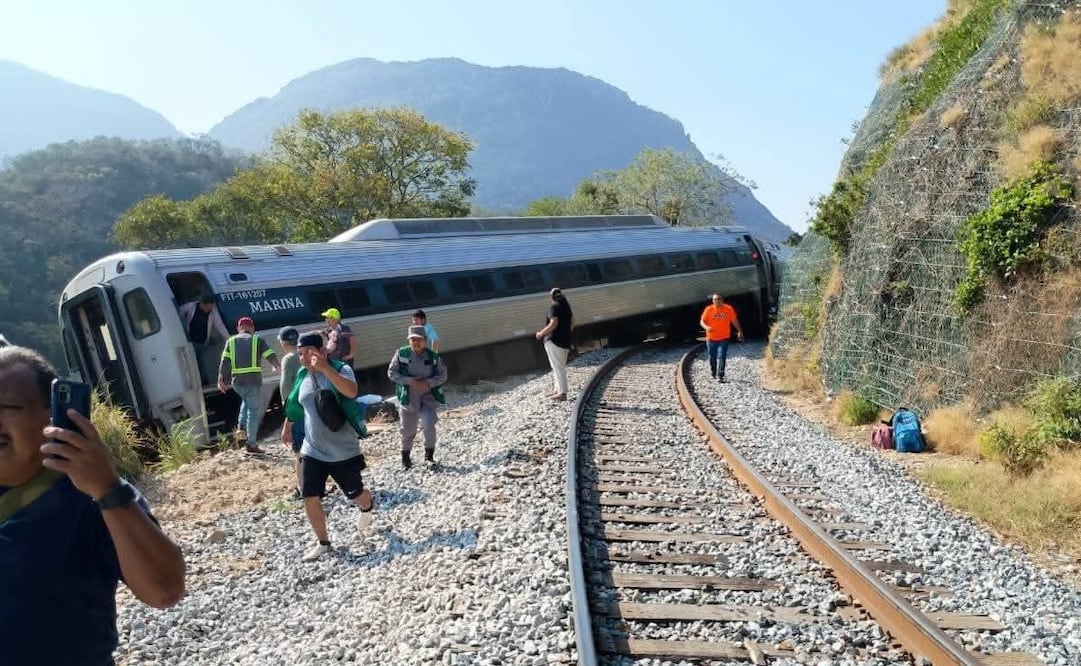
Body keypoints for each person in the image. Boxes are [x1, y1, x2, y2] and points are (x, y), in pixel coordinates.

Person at [0, 346, 185, 664]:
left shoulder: (90, 494)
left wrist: (107, 490)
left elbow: (164, 590)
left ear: (55, 416)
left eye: (8, 406)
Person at [282, 332, 374, 562]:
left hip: (342, 450)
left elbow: (351, 392)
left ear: (321, 352)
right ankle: (323, 543)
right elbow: (296, 403)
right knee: (309, 495)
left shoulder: (340, 368)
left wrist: (325, 369)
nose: (303, 358)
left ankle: (367, 506)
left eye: (307, 353)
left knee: (355, 494)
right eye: (300, 353)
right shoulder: (302, 374)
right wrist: (287, 426)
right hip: (312, 449)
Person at [388, 325, 448, 469]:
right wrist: (410, 382)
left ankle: (429, 457)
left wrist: (429, 383)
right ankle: (406, 459)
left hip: (427, 398)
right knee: (408, 430)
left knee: (429, 426)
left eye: (419, 339)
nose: (416, 342)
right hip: (408, 398)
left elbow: (443, 375)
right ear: (408, 340)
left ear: (425, 340)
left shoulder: (433, 357)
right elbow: (391, 373)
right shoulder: (401, 353)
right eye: (413, 339)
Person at [218, 317, 280, 454]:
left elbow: (225, 361)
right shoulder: (258, 340)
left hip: (237, 383)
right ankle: (251, 444)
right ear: (252, 328)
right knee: (253, 411)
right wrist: (276, 364)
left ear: (238, 328)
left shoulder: (230, 341)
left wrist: (221, 379)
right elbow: (269, 354)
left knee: (246, 401)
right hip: (253, 381)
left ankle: (241, 425)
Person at [178, 294, 230, 385]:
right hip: (190, 342)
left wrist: (229, 340)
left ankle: (203, 382)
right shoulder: (190, 307)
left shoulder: (213, 313)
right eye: (207, 307)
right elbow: (179, 313)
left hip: (201, 343)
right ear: (202, 304)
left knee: (200, 363)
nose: (208, 310)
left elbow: (220, 326)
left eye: (211, 307)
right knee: (191, 363)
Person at [278, 326, 304, 498]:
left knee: (300, 451)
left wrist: (288, 416)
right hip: (311, 408)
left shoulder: (288, 358)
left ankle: (302, 488)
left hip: (298, 411)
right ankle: (319, 483)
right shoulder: (306, 354)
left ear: (282, 342)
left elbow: (286, 387)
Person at [535, 287, 574, 401]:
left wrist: (541, 333)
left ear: (551, 297)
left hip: (554, 341)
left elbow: (553, 323)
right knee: (557, 366)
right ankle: (557, 390)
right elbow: (572, 324)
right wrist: (565, 333)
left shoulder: (554, 307)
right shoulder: (567, 308)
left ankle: (562, 393)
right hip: (565, 342)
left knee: (558, 367)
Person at [699, 293, 744, 383]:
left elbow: (734, 320)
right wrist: (706, 327)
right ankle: (713, 372)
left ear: (722, 300)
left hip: (724, 337)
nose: (717, 301)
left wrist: (740, 331)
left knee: (722, 355)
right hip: (711, 338)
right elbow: (702, 321)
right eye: (715, 299)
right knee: (712, 357)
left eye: (719, 299)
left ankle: (720, 375)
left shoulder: (728, 309)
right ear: (713, 301)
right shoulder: (709, 309)